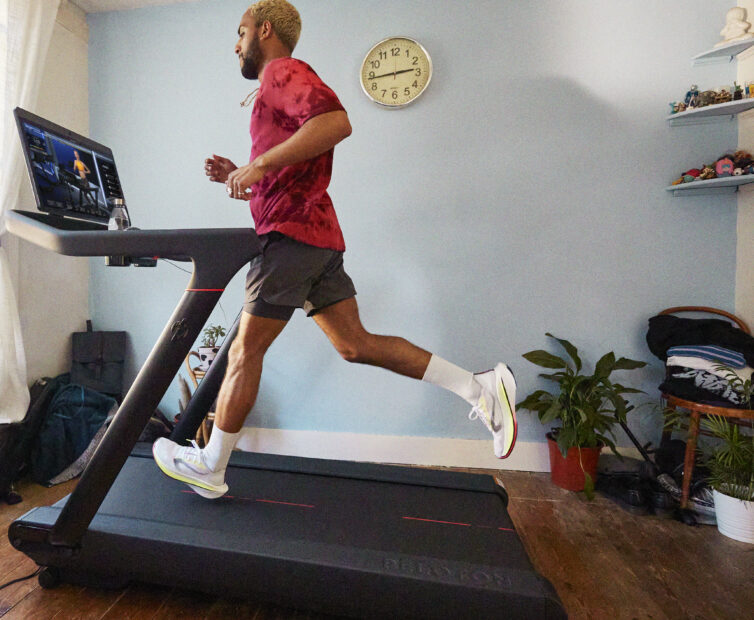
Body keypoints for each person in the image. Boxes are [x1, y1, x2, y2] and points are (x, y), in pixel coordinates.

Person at [153, 0, 517, 499]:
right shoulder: (275, 86)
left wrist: (257, 168)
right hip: (316, 234)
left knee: (246, 349)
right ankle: (479, 388)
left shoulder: (282, 70)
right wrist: (244, 169)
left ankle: (211, 466)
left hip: (290, 237)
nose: (235, 45)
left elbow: (335, 124)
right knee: (354, 345)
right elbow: (294, 169)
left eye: (239, 33)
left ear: (263, 30)